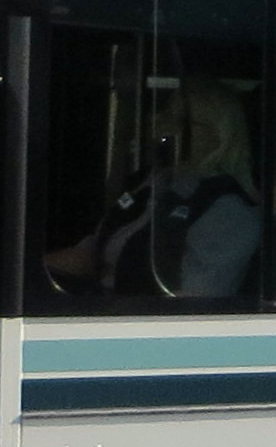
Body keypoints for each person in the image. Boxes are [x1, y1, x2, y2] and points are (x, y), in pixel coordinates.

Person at [43, 80, 262, 301]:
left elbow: (195, 301)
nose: (167, 128)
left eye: (185, 122)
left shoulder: (229, 211)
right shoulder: (150, 183)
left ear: (219, 136)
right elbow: (90, 255)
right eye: (168, 116)